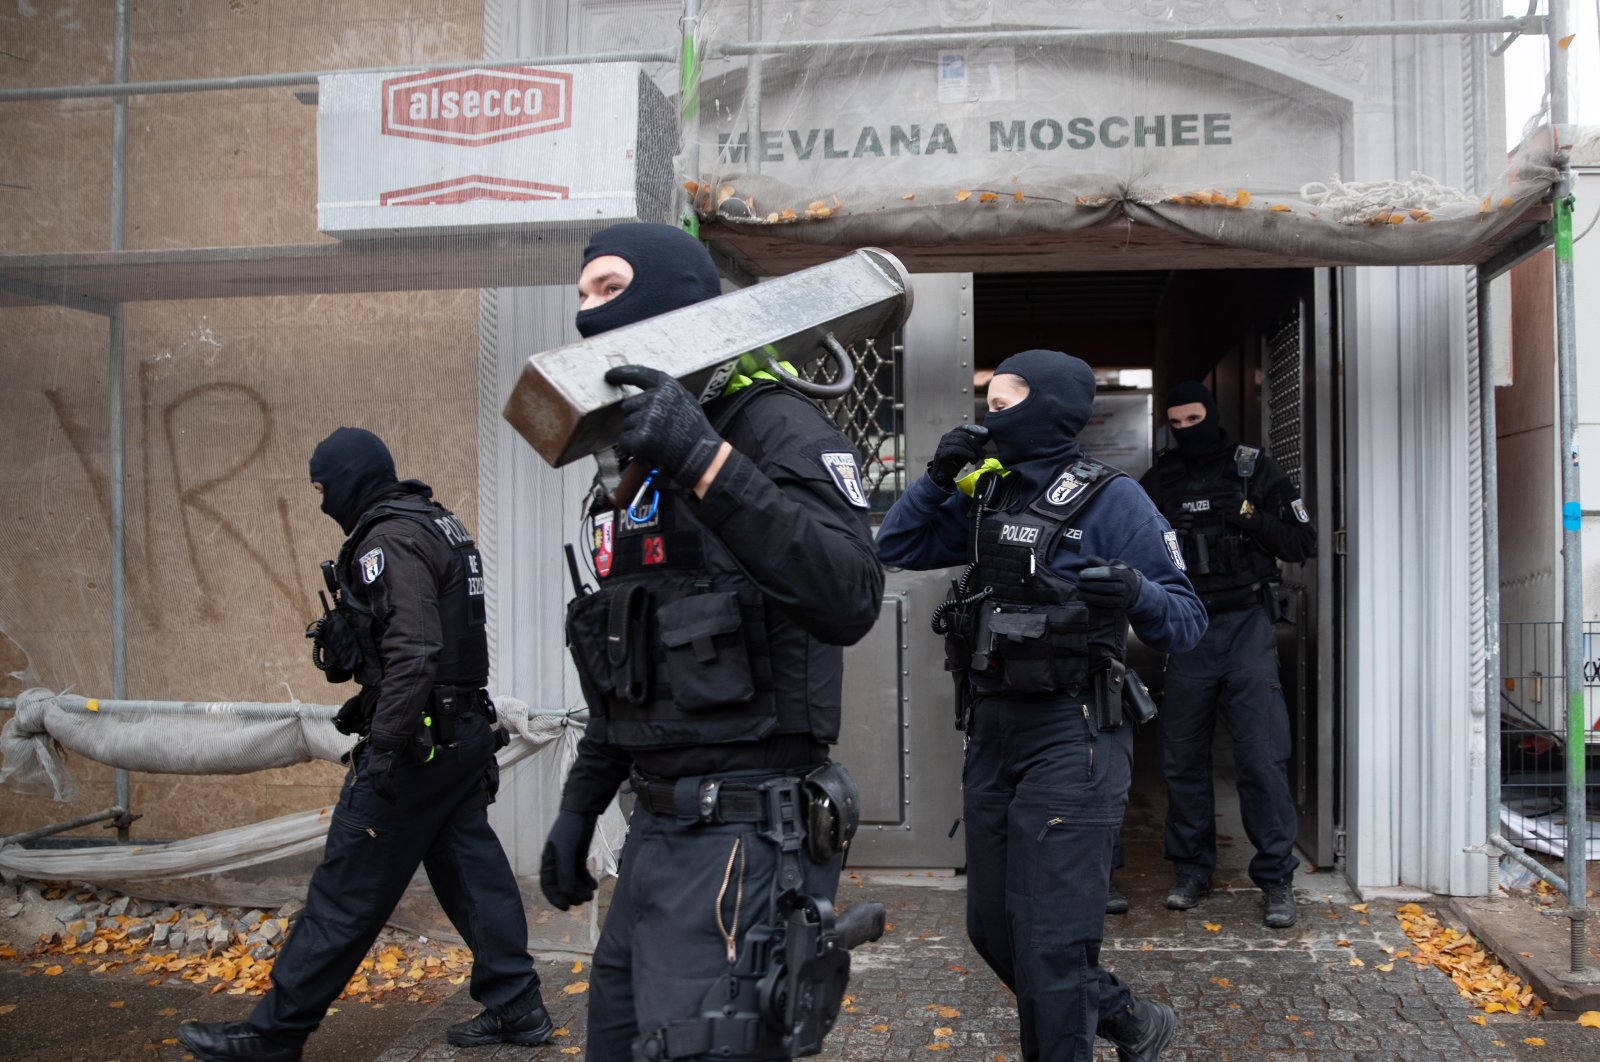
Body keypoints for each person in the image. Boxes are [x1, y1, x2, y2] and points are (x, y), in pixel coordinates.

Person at [542, 222, 886, 1061]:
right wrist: (580, 804)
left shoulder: (769, 424)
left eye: (609, 288)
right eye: (581, 293)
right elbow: (628, 667)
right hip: (653, 841)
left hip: (745, 842)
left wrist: (707, 461)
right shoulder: (636, 465)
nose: (587, 312)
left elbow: (849, 593)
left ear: (679, 297)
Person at [178, 427, 551, 1062]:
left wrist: (382, 749)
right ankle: (517, 1005)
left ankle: (274, 1033)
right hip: (460, 737)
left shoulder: (390, 539)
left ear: (350, 479)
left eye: (324, 488)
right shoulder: (438, 523)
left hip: (417, 745)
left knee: (345, 887)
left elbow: (416, 650)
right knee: (470, 870)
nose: (322, 502)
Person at [877, 350, 1206, 1062]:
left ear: (1053, 407)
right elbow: (894, 544)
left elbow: (1186, 620)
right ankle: (1126, 1017)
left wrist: (1138, 594)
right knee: (994, 930)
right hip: (993, 729)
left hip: (1074, 731)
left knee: (1052, 944)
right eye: (989, 396)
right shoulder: (986, 493)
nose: (994, 408)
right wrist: (936, 479)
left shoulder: (1113, 499)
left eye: (1010, 395)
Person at [1138, 381, 1315, 929]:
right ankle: (1193, 871)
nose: (1187, 430)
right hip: (1188, 627)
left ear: (1212, 415)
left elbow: (1301, 542)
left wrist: (1253, 521)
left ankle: (1275, 878)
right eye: (1177, 421)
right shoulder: (1161, 478)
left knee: (1261, 755)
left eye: (1195, 418)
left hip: (1246, 626)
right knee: (1181, 755)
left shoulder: (1254, 470)